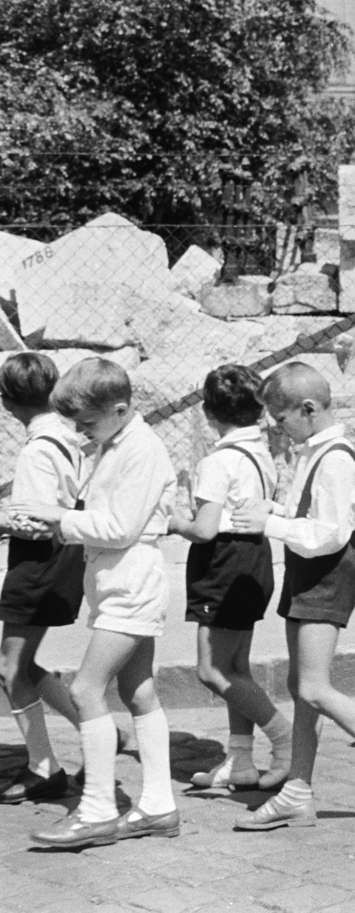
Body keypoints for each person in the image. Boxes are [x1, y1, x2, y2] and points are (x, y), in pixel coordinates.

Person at [231, 363, 355, 831]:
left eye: (281, 420)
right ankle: (298, 791)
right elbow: (308, 511)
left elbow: (329, 533)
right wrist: (273, 509)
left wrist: (269, 524)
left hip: (327, 572)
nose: (277, 430)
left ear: (309, 409)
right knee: (303, 691)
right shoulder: (312, 449)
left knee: (315, 688)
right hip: (307, 569)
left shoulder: (335, 457)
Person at [16, 358, 179, 848]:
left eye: (86, 422)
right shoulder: (116, 442)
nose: (81, 431)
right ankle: (157, 805)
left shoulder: (141, 451)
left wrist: (58, 517)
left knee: (87, 690)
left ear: (120, 408)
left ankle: (97, 810)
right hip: (118, 581)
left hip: (132, 581)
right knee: (139, 692)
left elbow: (120, 527)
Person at [170, 364, 292, 792]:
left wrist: (174, 521)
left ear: (208, 412)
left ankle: (285, 738)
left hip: (223, 562)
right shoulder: (260, 453)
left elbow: (203, 529)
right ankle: (240, 759)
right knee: (236, 666)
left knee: (210, 669)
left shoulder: (217, 461)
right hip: (255, 558)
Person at [0, 353, 85, 806]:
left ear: (9, 403)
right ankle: (96, 729)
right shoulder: (69, 436)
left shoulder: (35, 450)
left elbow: (34, 521)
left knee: (9, 669)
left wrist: (4, 520)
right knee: (26, 662)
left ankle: (42, 767)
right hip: (67, 556)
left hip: (37, 560)